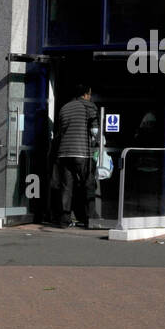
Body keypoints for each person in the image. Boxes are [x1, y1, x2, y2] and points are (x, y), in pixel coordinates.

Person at [52, 84, 99, 227]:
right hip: (82, 152)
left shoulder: (64, 108)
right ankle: (91, 219)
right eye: (90, 94)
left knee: (66, 187)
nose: (90, 97)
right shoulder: (90, 107)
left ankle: (64, 220)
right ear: (85, 94)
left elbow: (60, 131)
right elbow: (95, 131)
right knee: (88, 185)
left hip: (64, 153)